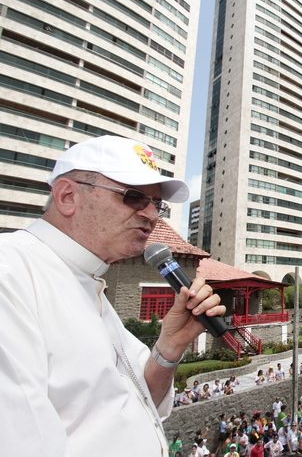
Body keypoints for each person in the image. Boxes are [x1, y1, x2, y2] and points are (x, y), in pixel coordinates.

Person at [0, 135, 225, 456]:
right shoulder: (10, 274)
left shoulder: (89, 282)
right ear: (67, 196)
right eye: (133, 197)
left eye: (156, 204)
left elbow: (142, 400)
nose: (151, 214)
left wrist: (171, 345)